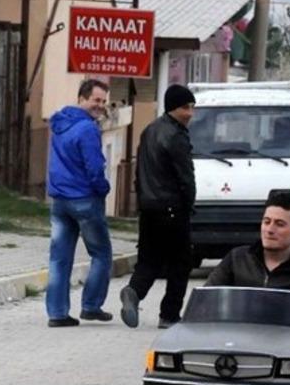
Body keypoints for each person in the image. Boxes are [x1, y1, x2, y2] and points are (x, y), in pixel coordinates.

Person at [119, 84, 197, 329]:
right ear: (174, 108)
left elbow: (139, 171)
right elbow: (185, 177)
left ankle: (133, 292)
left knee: (149, 260)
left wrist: (142, 199)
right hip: (173, 208)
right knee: (180, 263)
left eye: (192, 107)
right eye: (186, 108)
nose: (190, 113)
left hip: (149, 208)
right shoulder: (176, 137)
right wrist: (188, 204)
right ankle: (169, 314)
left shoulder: (149, 131)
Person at [45, 79, 114, 328]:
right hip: (84, 199)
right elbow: (94, 167)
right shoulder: (87, 128)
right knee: (101, 253)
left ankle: (57, 313)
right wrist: (103, 188)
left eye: (103, 101)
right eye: (96, 100)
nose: (100, 105)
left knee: (59, 259)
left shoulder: (59, 123)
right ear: (82, 98)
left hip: (59, 201)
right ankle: (91, 306)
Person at [205, 192, 290, 303]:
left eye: (280, 224)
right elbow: (206, 299)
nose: (269, 230)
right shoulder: (236, 259)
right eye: (266, 222)